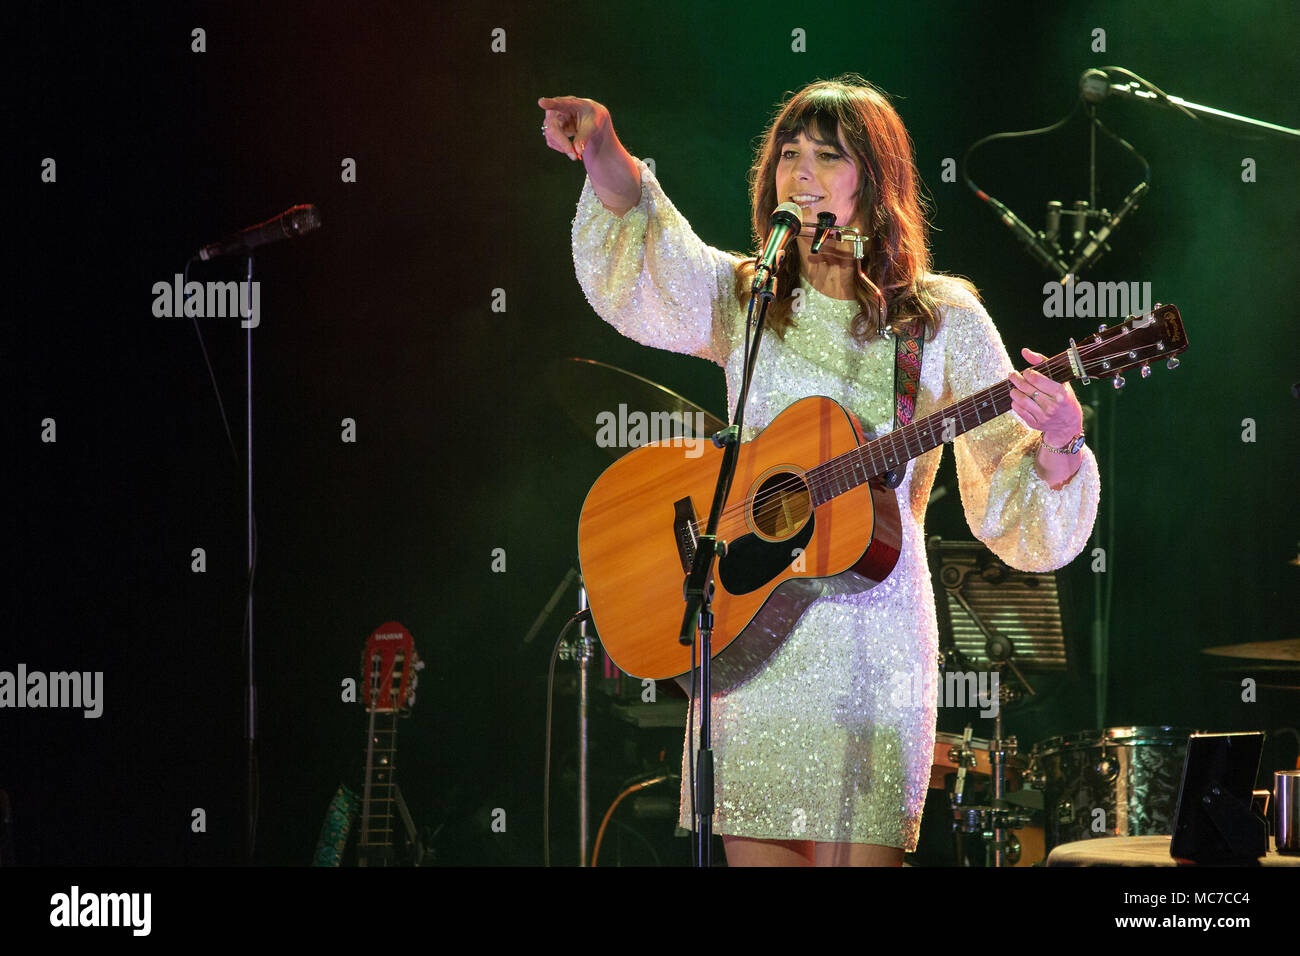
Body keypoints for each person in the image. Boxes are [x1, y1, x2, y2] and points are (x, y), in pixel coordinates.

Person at [539, 75, 1099, 867]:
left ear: (876, 179)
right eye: (787, 155)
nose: (798, 174)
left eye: (826, 156)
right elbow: (660, 263)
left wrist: (1060, 444)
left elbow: (1008, 483)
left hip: (873, 651)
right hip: (746, 648)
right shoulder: (749, 295)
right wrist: (603, 153)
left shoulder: (940, 319)